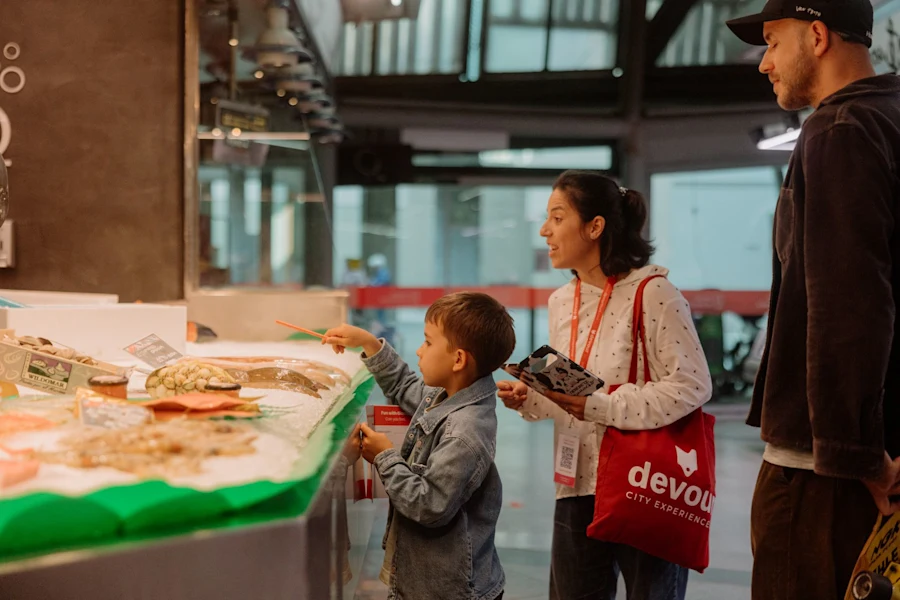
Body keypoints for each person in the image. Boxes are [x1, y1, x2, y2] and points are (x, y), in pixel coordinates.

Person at [724, 1, 900, 597]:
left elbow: (847, 302)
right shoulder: (889, 119)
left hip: (825, 473)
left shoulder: (839, 130)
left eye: (772, 42)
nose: (764, 63)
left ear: (818, 35)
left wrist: (859, 455)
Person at [497, 170, 712, 600]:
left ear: (595, 226)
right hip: (577, 481)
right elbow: (574, 395)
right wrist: (533, 397)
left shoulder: (654, 292)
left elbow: (691, 386)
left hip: (645, 482)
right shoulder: (563, 301)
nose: (545, 230)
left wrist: (599, 405)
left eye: (557, 218)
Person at [323, 292, 516, 600]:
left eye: (427, 342)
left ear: (458, 359)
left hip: (447, 590)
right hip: (420, 579)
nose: (418, 350)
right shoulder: (447, 393)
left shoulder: (464, 433)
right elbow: (405, 387)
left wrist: (384, 457)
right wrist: (370, 344)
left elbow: (429, 506)